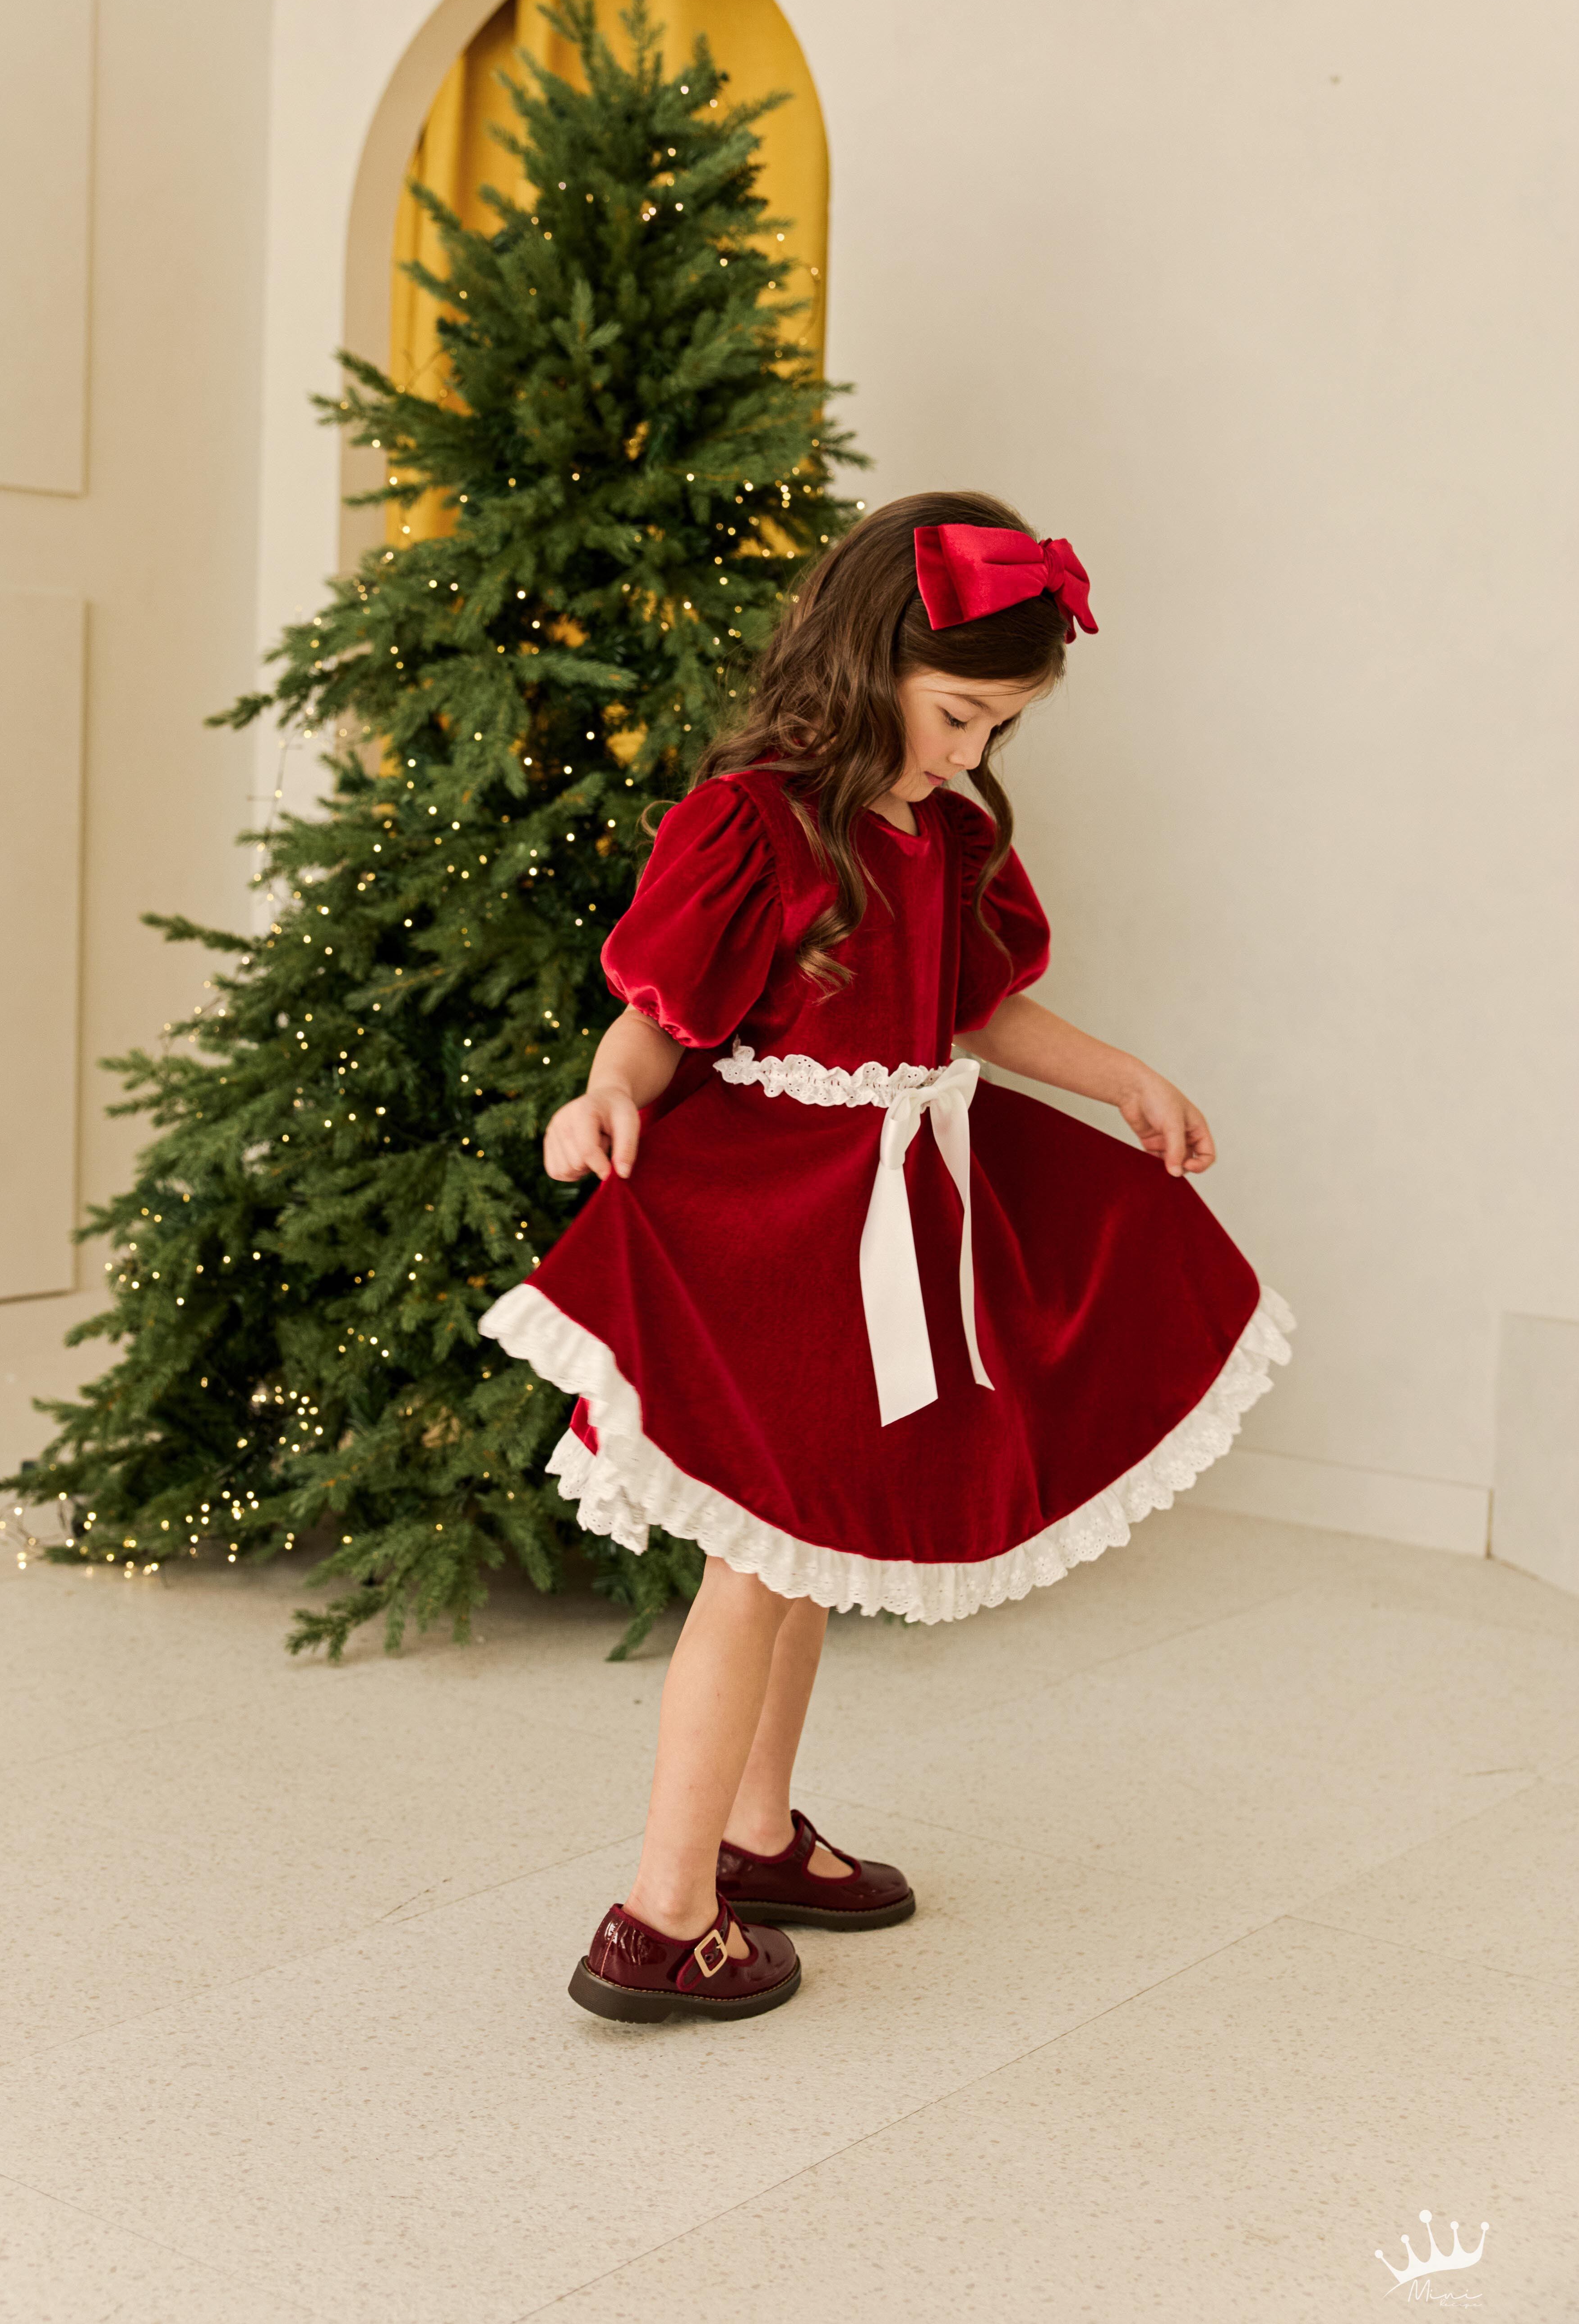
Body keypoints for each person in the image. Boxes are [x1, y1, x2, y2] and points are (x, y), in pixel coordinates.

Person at [480, 490, 1293, 2024]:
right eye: (957, 715)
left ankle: (757, 1835)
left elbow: (972, 1009)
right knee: (754, 1560)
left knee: (810, 1547)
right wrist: (605, 1098)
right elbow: (657, 1018)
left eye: (998, 727)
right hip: (773, 1224)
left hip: (898, 1219)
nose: (971, 752)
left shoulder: (945, 833)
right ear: (872, 661)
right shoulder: (757, 822)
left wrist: (1117, 1075)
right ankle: (662, 1910)